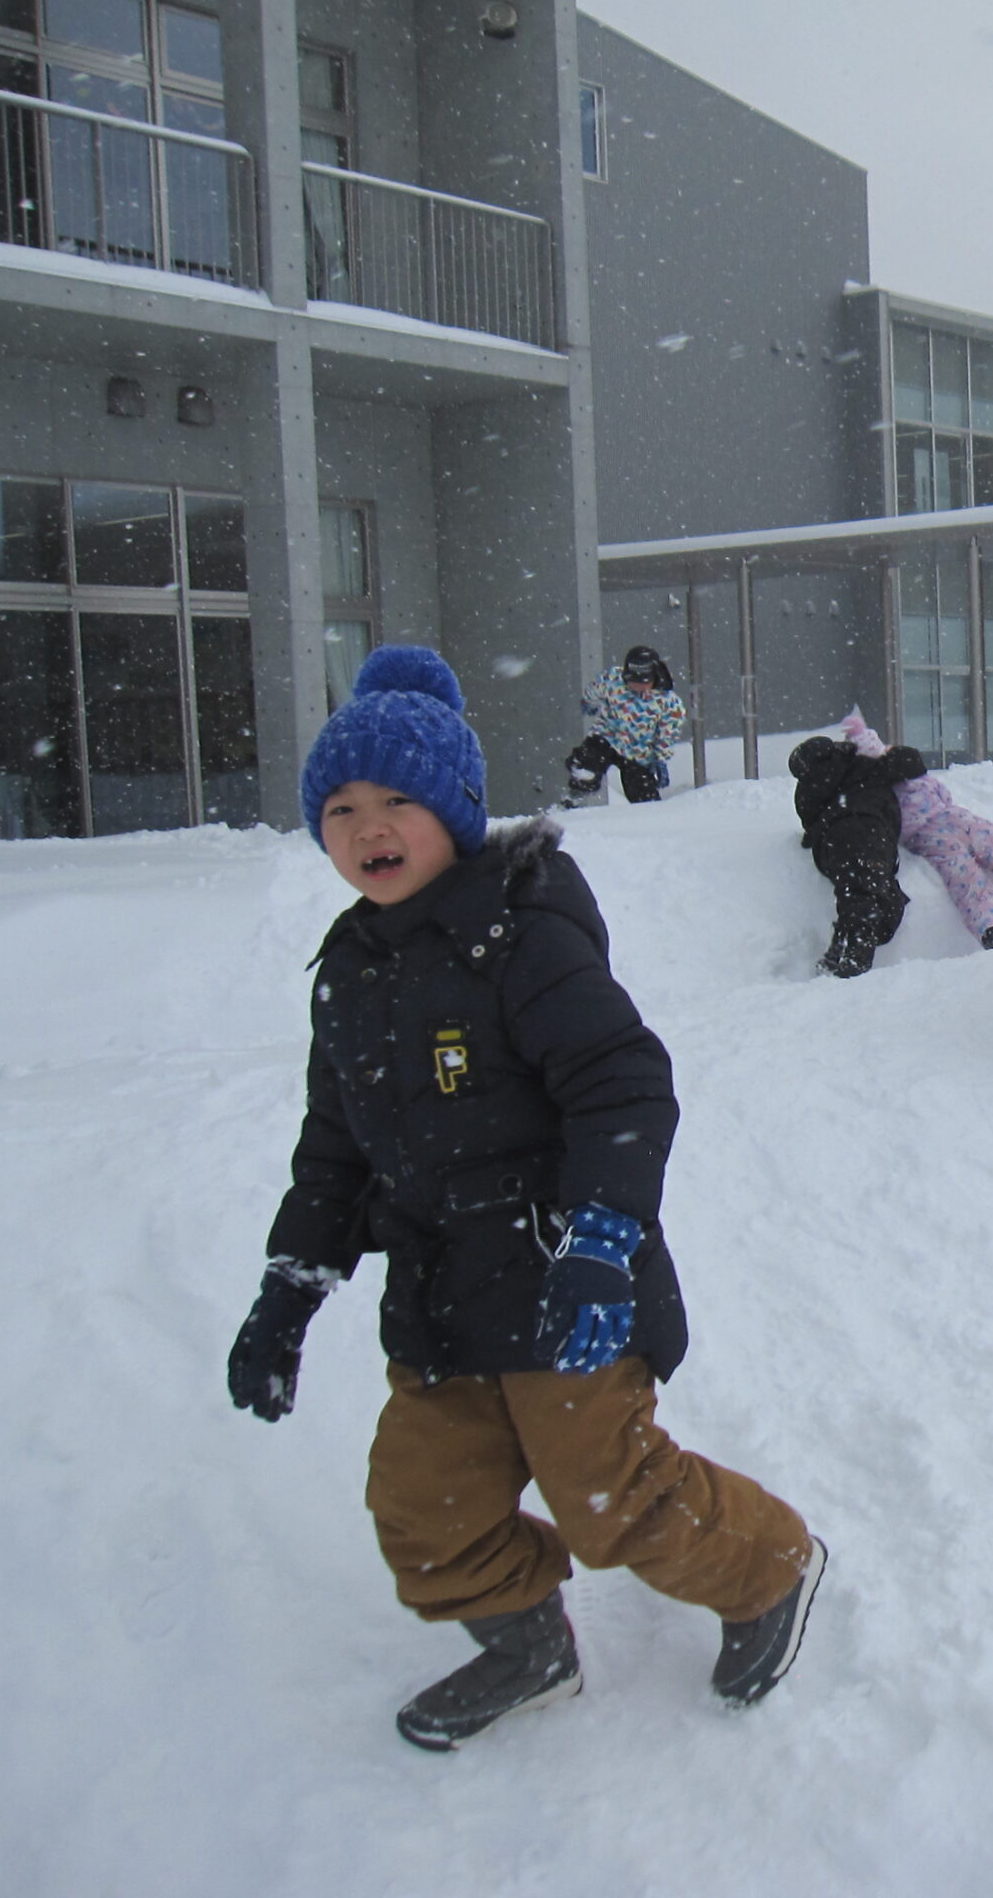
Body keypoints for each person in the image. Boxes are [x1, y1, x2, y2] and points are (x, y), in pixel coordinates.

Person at [227, 646, 823, 1751]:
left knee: (609, 1494)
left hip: (563, 1280)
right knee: (423, 1505)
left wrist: (603, 1239)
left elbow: (623, 1086)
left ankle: (767, 1568)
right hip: (439, 1299)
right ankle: (527, 1646)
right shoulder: (352, 972)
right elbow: (335, 1152)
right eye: (342, 807)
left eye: (397, 798)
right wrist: (287, 1290)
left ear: (452, 807)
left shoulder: (520, 935)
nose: (369, 826)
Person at [831, 708, 993, 952]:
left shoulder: (872, 785)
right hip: (953, 820)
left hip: (931, 834)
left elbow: (888, 818)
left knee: (967, 879)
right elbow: (941, 793)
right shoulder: (905, 769)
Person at [788, 726, 926, 977]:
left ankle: (850, 939)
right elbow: (912, 763)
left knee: (851, 887)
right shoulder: (862, 764)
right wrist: (886, 753)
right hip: (873, 826)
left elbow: (808, 821)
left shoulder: (809, 786)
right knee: (872, 880)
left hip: (836, 835)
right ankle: (861, 939)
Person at [562, 645, 687, 806]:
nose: (636, 686)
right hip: (607, 736)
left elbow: (666, 735)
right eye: (631, 681)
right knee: (589, 759)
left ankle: (650, 817)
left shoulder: (669, 703)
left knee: (640, 790)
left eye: (643, 682)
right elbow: (595, 689)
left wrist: (661, 759)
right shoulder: (613, 680)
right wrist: (589, 702)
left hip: (639, 751)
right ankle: (573, 798)